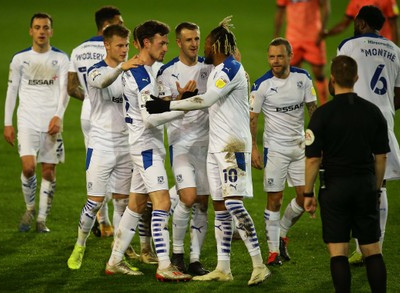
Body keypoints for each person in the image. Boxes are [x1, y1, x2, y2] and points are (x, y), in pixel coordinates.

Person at [146, 16, 271, 286]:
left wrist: (168, 106)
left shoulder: (230, 68)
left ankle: (259, 264)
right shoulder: (216, 69)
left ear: (215, 45)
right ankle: (223, 267)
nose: (201, 48)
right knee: (220, 207)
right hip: (216, 147)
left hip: (232, 147)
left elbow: (206, 100)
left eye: (205, 43)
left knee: (234, 204)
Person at [105, 20, 192, 281]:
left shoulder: (148, 71)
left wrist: (176, 99)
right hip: (145, 148)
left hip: (144, 145)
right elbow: (151, 118)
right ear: (146, 43)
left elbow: (153, 104)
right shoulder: (140, 74)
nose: (166, 47)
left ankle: (114, 261)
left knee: (136, 205)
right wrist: (182, 107)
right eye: (162, 42)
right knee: (162, 203)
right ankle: (164, 265)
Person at [304, 54, 389, 293]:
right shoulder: (372, 112)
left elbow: (312, 159)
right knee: (372, 249)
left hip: (334, 188)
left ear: (332, 79)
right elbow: (381, 157)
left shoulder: (322, 114)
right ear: (356, 78)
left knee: (338, 251)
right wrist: (377, 187)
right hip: (364, 186)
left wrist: (308, 192)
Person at [67, 24, 142, 270]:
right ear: (107, 45)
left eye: (126, 45)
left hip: (125, 145)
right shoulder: (94, 70)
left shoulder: (130, 72)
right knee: (94, 202)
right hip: (100, 146)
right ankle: (80, 245)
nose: (124, 50)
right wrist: (122, 67)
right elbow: (102, 83)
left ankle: (118, 252)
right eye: (119, 45)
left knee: (122, 202)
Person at [336, 5, 400, 265]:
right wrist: (384, 109)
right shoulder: (395, 50)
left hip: (354, 118)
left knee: (354, 178)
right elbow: (399, 93)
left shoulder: (349, 46)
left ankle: (360, 248)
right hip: (383, 120)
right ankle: (376, 246)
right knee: (378, 183)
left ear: (361, 22)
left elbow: (338, 82)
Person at [250, 37, 318, 266]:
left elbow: (313, 111)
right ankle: (272, 252)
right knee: (275, 200)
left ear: (290, 56)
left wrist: (316, 141)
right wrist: (254, 147)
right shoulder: (261, 85)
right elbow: (252, 118)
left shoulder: (303, 78)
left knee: (304, 197)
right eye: (271, 57)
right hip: (275, 150)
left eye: (280, 56)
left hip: (299, 148)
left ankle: (281, 232)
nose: (275, 61)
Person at [4, 12, 69, 233]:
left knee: (49, 172)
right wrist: (7, 123)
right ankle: (30, 207)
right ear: (31, 31)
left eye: (46, 27)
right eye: (37, 27)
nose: (42, 31)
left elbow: (64, 91)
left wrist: (58, 115)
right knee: (28, 167)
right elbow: (12, 90)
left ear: (51, 31)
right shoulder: (20, 59)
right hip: (27, 120)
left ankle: (42, 219)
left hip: (50, 120)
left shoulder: (61, 59)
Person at [156, 21, 212, 276]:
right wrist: (180, 99)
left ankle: (195, 259)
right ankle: (177, 253)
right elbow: (156, 108)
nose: (193, 44)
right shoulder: (167, 73)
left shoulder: (210, 68)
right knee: (188, 198)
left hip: (206, 144)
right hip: (180, 144)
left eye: (196, 39)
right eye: (188, 40)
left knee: (202, 203)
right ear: (178, 42)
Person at [67, 6, 124, 238]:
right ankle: (112, 226)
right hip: (111, 114)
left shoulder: (78, 50)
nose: (122, 26)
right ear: (107, 26)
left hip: (87, 114)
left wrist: (90, 97)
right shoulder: (119, 51)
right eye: (119, 22)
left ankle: (104, 220)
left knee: (96, 169)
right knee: (116, 169)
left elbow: (71, 87)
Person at [274, 0, 330, 105]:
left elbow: (325, 5)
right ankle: (293, 106)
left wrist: (322, 30)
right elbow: (280, 10)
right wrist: (276, 35)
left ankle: (324, 105)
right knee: (292, 73)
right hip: (293, 37)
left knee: (318, 72)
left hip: (313, 35)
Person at [323, 0, 399, 44]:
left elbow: (394, 25)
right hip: (363, 45)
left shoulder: (387, 0)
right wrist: (328, 33)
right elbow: (344, 24)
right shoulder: (355, 1)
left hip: (383, 43)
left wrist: (394, 47)